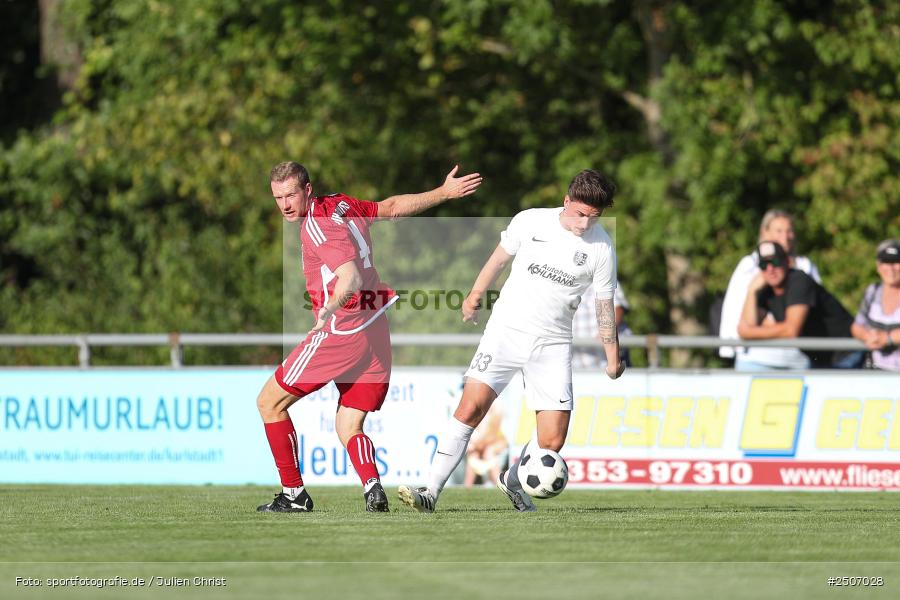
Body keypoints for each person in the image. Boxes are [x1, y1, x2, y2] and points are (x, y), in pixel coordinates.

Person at [256, 162, 482, 513]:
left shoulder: (317, 225)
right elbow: (390, 208)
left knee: (269, 402)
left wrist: (328, 309)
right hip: (374, 325)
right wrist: (443, 193)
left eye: (291, 195)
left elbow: (349, 278)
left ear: (308, 190)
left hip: (342, 331)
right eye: (278, 197)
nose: (285, 204)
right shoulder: (341, 204)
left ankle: (293, 494)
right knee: (348, 422)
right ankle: (373, 488)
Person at [398, 169, 624, 513]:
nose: (584, 224)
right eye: (579, 214)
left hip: (553, 344)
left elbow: (604, 306)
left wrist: (612, 358)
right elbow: (499, 259)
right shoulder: (530, 221)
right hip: (505, 332)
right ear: (566, 202)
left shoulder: (602, 247)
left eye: (593, 217)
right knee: (470, 408)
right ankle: (429, 492)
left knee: (552, 441)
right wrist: (474, 295)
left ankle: (515, 479)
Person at [719, 210, 822, 370]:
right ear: (764, 232)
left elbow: (807, 319)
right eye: (779, 231)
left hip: (798, 359)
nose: (785, 236)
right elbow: (741, 321)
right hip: (756, 359)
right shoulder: (750, 265)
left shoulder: (805, 266)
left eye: (789, 231)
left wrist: (769, 326)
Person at [736, 241, 854, 369]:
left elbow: (791, 330)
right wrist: (751, 291)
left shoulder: (799, 280)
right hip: (822, 360)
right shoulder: (765, 290)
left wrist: (751, 332)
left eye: (775, 262)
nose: (770, 269)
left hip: (848, 355)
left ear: (787, 262)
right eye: (764, 265)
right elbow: (744, 329)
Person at [851, 239, 900, 371]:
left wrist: (888, 338)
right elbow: (857, 326)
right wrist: (867, 336)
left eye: (896, 262)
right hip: (875, 372)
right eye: (886, 262)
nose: (891, 269)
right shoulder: (873, 291)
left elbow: (887, 338)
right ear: (878, 266)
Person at [572, 283, 631, 368]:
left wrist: (606, 331)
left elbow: (617, 309)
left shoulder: (603, 277)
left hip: (605, 364)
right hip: (576, 366)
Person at [463, 402, 508, 487]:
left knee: (489, 451)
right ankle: (467, 487)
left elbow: (492, 436)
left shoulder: (496, 413)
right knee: (474, 454)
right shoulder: (478, 414)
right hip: (483, 445)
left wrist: (476, 446)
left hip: (496, 443)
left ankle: (499, 484)